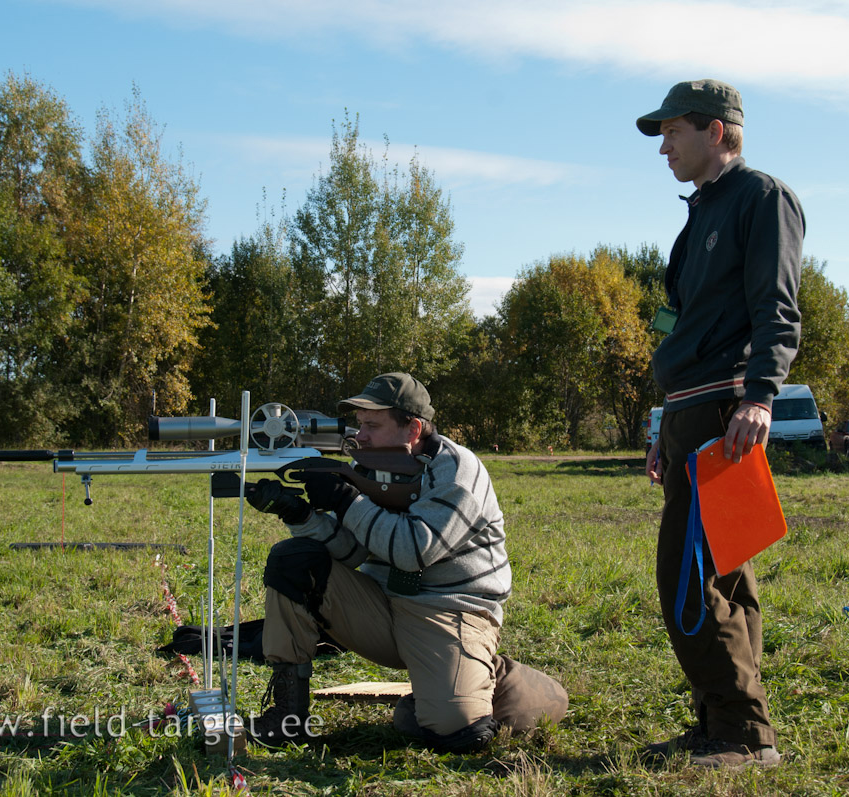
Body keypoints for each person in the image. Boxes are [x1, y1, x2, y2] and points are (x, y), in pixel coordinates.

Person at [243, 372, 567, 751]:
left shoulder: (457, 470)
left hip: (451, 611)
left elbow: (414, 551)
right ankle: (288, 717)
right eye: (359, 425)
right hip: (382, 604)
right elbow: (352, 552)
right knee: (295, 561)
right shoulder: (371, 469)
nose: (359, 436)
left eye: (372, 425)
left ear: (413, 429)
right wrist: (300, 515)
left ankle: (496, 677)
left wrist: (347, 501)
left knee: (456, 731)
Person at [637, 79, 804, 769]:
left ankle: (743, 732)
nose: (664, 147)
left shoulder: (761, 198)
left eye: (673, 131)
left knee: (686, 575)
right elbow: (682, 327)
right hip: (688, 414)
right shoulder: (699, 212)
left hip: (723, 413)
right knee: (724, 575)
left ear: (716, 131)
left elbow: (778, 308)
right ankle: (720, 722)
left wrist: (761, 396)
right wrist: (660, 424)